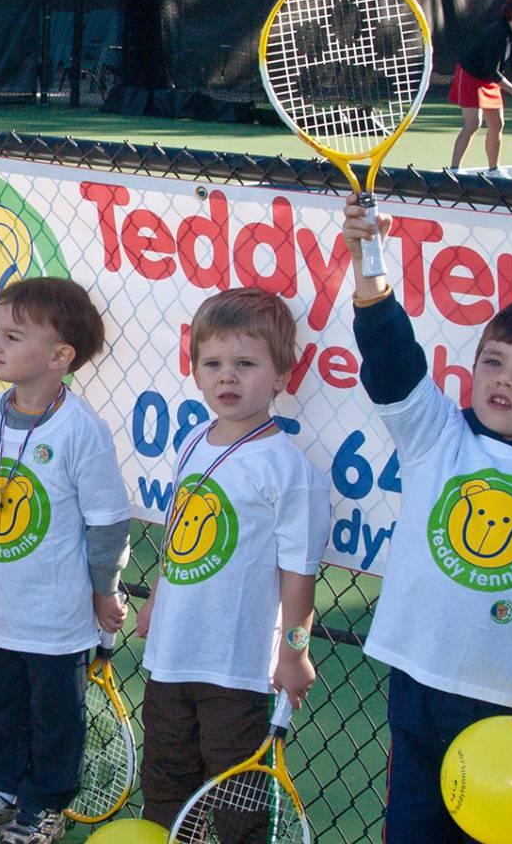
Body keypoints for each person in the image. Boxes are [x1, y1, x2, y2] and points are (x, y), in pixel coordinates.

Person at [340, 198, 512, 842]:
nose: (503, 381)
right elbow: (392, 357)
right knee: (409, 825)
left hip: (507, 710)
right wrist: (367, 260)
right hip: (415, 682)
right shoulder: (439, 436)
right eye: (493, 361)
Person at [0, 277, 131, 844]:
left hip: (60, 621)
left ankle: (46, 805)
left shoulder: (82, 431)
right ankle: (2, 790)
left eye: (13, 336)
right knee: (3, 712)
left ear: (59, 356)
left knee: (55, 722)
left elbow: (108, 522)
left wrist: (104, 590)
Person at [132, 287, 329, 835]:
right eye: (213, 363)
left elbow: (299, 574)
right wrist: (157, 599)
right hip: (171, 657)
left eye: (246, 363)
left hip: (236, 670)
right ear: (195, 371)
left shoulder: (290, 470)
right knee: (166, 783)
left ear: (282, 376)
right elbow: (181, 539)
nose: (228, 377)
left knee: (237, 801)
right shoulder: (193, 439)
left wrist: (294, 651)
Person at [448, 0, 512, 174]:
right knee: (473, 124)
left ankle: (494, 170)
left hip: (491, 78)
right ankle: (454, 170)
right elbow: (491, 71)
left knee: (497, 124)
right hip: (471, 75)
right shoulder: (497, 33)